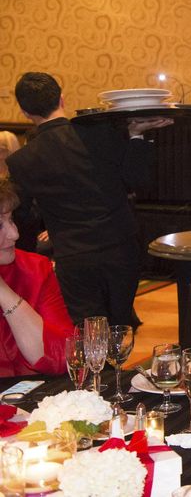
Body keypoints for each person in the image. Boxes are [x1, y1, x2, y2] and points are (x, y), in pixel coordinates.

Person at [6, 72, 170, 327]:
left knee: (87, 329)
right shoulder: (99, 133)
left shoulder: (21, 161)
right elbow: (136, 179)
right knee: (118, 324)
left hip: (73, 256)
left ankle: (97, 367)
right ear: (62, 99)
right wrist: (138, 136)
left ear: (25, 112)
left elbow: (23, 217)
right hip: (121, 249)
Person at [0, 177, 75, 377]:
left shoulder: (34, 269)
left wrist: (4, 292)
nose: (14, 234)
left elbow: (67, 358)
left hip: (34, 403)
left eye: (11, 220)